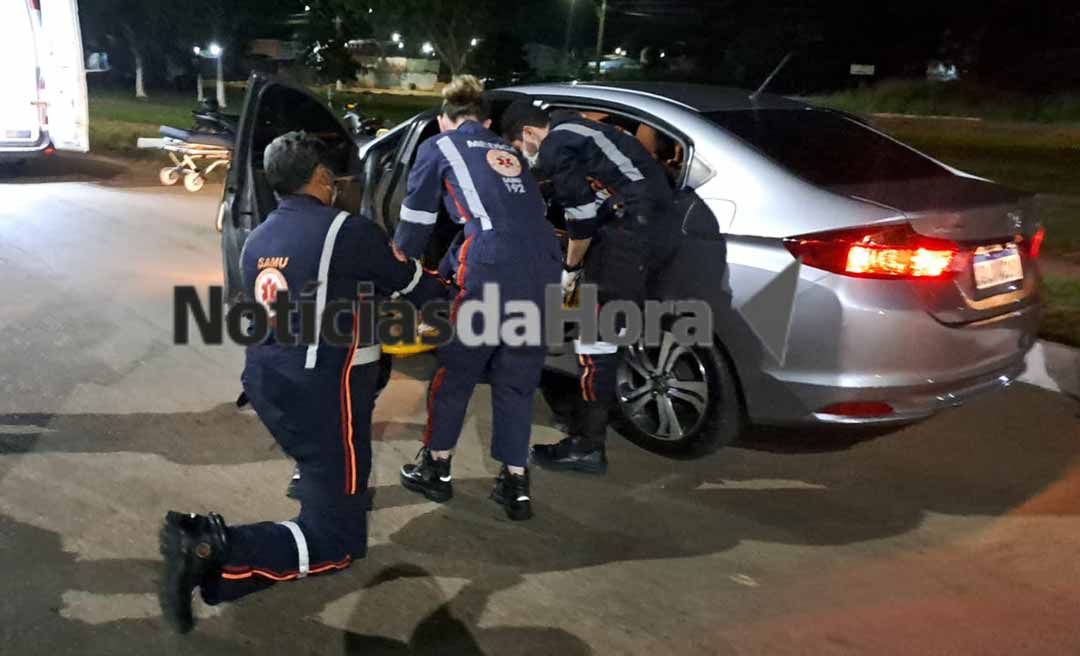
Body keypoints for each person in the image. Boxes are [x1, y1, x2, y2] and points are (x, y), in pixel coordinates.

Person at [158, 131, 445, 634]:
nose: (340, 185)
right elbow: (422, 289)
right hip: (323, 397)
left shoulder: (258, 238)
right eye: (335, 177)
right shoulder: (347, 231)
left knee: (321, 470)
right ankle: (211, 546)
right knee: (338, 541)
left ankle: (254, 545)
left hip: (270, 385)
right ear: (320, 178)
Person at [392, 76, 561, 521]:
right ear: (485, 121)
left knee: (457, 371)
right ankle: (516, 483)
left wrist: (398, 270)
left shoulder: (439, 147)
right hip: (544, 266)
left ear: (444, 120)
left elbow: (416, 221)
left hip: (491, 269)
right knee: (517, 379)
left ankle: (437, 468)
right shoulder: (512, 155)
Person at [501, 101, 680, 475]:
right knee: (608, 334)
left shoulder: (554, 147)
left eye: (521, 148)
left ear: (530, 134)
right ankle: (589, 421)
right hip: (657, 230)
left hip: (630, 234)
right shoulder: (583, 130)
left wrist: (570, 268)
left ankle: (587, 446)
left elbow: (581, 217)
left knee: (594, 338)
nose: (526, 156)